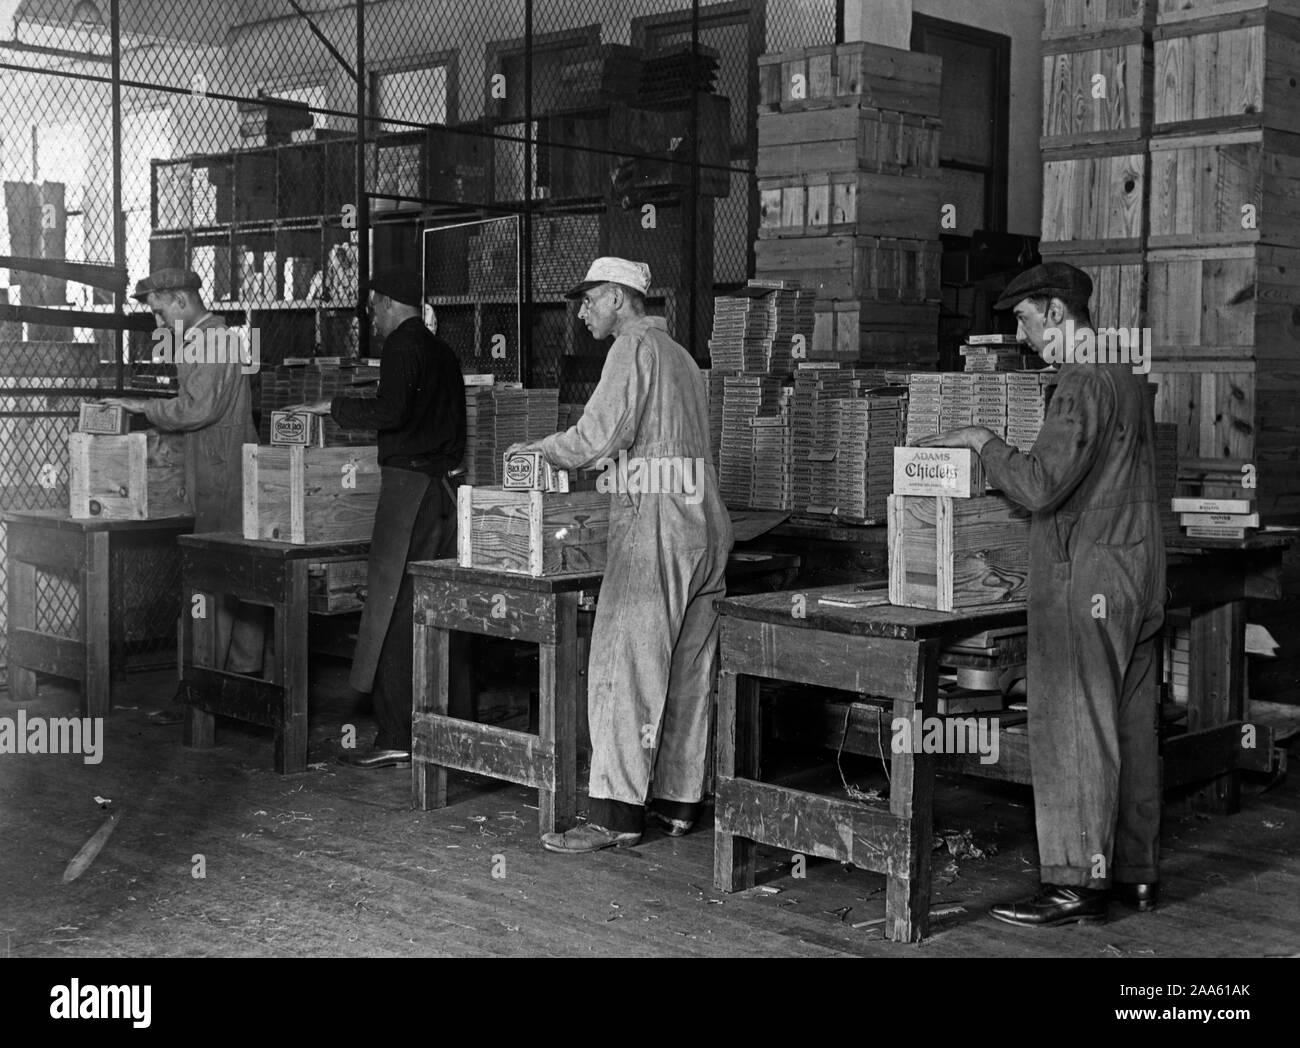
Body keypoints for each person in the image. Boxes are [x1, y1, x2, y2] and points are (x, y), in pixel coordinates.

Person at [918, 262, 1166, 926]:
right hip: (1139, 573)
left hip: (1088, 581)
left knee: (1074, 730)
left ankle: (1073, 886)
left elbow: (1037, 487)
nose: (1024, 339)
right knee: (1134, 729)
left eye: (1026, 321)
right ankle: (1135, 875)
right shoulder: (1126, 371)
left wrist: (982, 440)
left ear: (1056, 312)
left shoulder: (1083, 379)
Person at [508, 257, 734, 853]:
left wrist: (538, 451)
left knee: (623, 666)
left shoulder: (631, 348)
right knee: (689, 668)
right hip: (706, 520)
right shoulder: (683, 356)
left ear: (617, 298)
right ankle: (678, 803)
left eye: (588, 301)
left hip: (658, 522)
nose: (582, 314)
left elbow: (599, 436)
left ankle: (614, 817)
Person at [293, 266, 466, 769]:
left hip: (407, 491)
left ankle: (398, 733)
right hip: (442, 492)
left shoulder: (401, 347)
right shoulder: (443, 351)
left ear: (392, 303)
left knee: (390, 607)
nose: (372, 314)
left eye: (374, 305)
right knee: (435, 604)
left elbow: (390, 413)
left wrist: (335, 406)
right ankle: (444, 726)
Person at [103, 268, 266, 723]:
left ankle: (206, 691)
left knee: (213, 580)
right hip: (226, 468)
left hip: (221, 474)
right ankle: (240, 682)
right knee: (239, 577)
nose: (157, 324)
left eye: (158, 311)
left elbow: (198, 408)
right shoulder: (215, 337)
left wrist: (143, 407)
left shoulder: (208, 339)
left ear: (179, 300)